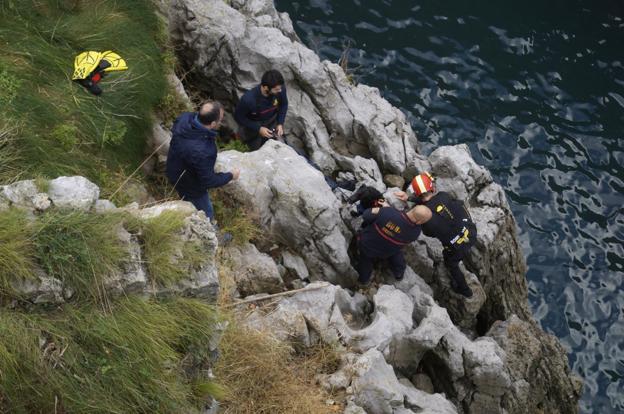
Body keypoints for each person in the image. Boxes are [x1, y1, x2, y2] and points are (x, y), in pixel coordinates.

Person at [395, 172, 476, 297]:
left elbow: (429, 234)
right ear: (432, 188)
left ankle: (466, 291)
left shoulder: (428, 224)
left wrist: (410, 199)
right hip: (470, 232)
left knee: (452, 265)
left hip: (455, 248)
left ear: (417, 194)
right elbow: (440, 202)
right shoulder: (444, 196)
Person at [166, 101, 240, 222]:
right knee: (206, 212)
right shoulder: (204, 150)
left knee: (186, 197)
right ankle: (211, 234)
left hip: (173, 169)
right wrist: (230, 175)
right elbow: (209, 181)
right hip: (190, 185)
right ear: (212, 124)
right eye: (220, 120)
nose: (221, 122)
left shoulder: (184, 119)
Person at [355, 203, 431, 285]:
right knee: (397, 252)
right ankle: (399, 273)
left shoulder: (388, 212)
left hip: (367, 246)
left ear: (413, 208)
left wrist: (377, 209)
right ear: (419, 222)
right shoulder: (415, 232)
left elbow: (366, 216)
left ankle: (363, 279)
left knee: (365, 260)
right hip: (387, 252)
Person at [234, 69, 288, 151]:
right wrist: (258, 128)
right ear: (266, 87)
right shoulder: (248, 100)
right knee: (253, 150)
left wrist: (280, 123)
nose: (280, 91)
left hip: (271, 121)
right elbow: (239, 117)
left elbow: (284, 105)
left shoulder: (280, 89)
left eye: (280, 88)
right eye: (276, 89)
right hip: (252, 126)